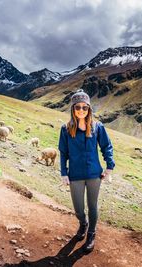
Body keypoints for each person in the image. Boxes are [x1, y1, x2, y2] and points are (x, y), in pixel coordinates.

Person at [58, 89, 115, 253]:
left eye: (85, 107)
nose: (81, 110)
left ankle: (91, 233)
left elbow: (106, 147)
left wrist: (110, 166)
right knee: (78, 209)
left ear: (89, 109)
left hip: (94, 175)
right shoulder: (66, 129)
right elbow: (63, 153)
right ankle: (83, 223)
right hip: (75, 175)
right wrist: (63, 172)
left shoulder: (97, 127)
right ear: (73, 109)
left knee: (93, 206)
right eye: (78, 107)